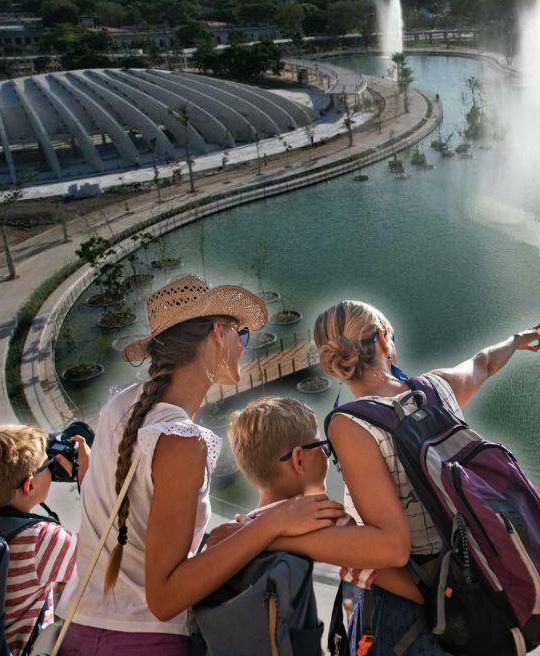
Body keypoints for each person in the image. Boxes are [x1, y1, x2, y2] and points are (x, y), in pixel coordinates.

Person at [57, 275, 344, 655]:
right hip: (143, 640)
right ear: (216, 334)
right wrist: (276, 520)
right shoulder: (182, 442)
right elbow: (164, 597)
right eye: (240, 335)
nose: (243, 347)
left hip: (77, 628)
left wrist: (224, 537)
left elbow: (141, 533)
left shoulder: (119, 407)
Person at [313, 300, 540, 656]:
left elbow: (392, 548)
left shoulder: (350, 425)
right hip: (475, 578)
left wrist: (292, 535)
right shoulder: (437, 389)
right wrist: (515, 340)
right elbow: (483, 363)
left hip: (408, 609)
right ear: (383, 342)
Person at [223, 396, 421, 600]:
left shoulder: (235, 531)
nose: (328, 454)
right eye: (322, 447)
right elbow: (411, 590)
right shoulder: (324, 519)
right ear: (299, 459)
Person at [0, 424, 88, 652]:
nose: (53, 468)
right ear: (29, 485)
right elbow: (104, 556)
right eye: (48, 464)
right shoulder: (39, 539)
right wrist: (89, 481)